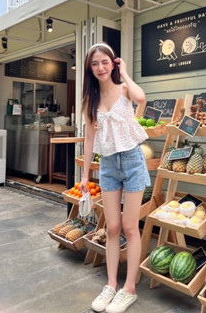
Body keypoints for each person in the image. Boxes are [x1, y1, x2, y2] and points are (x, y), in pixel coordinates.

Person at [80, 42, 151, 313]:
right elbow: (89, 140)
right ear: (90, 68)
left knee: (131, 228)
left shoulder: (124, 90)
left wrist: (125, 73)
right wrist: (85, 174)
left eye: (105, 62)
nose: (100, 67)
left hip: (133, 161)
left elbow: (141, 97)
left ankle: (129, 289)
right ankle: (111, 284)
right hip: (108, 165)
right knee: (111, 228)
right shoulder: (91, 99)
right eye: (95, 63)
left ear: (113, 63)